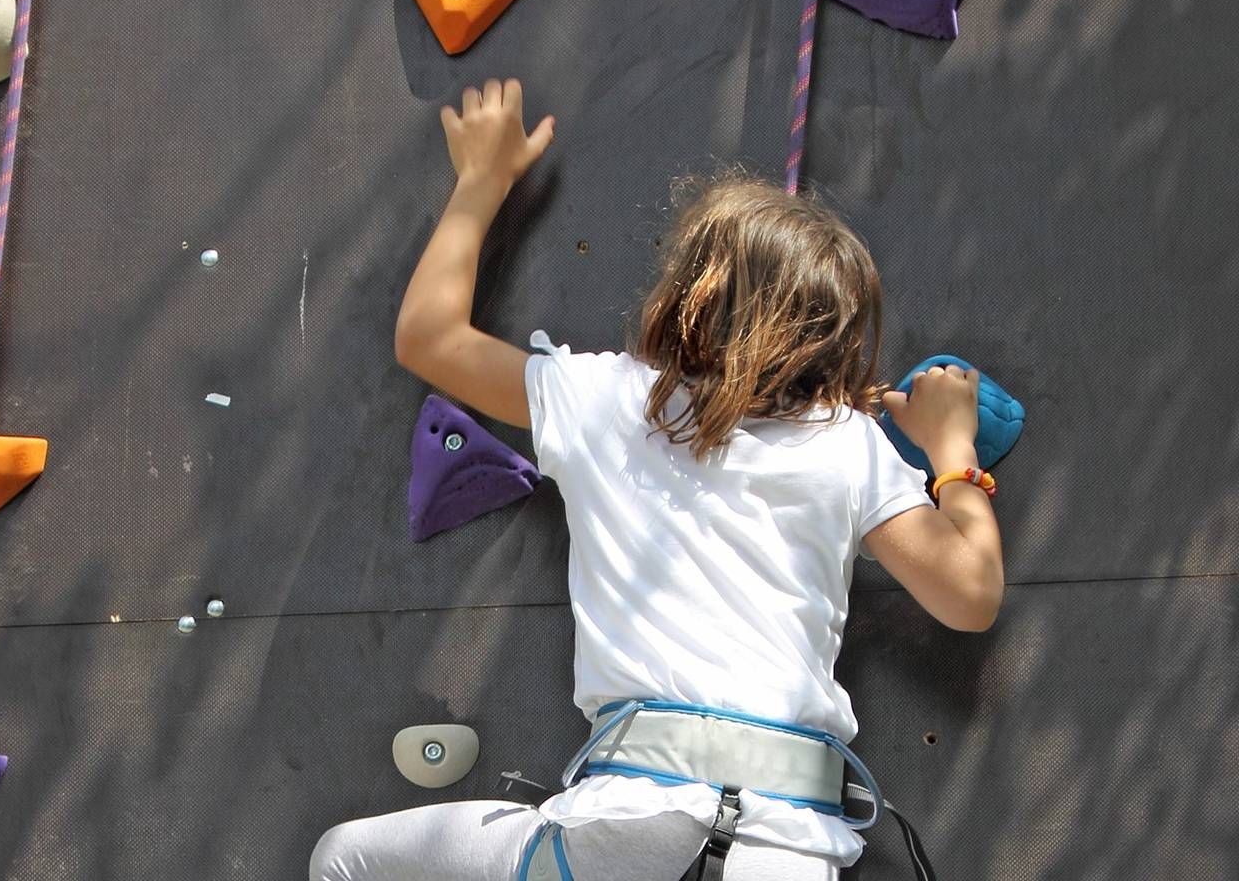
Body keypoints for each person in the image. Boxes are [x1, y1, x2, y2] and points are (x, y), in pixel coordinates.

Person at [310, 78, 1003, 881]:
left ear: (693, 293)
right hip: (786, 859)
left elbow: (429, 336)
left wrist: (482, 179)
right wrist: (952, 452)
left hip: (629, 833)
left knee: (347, 860)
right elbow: (969, 593)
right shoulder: (846, 446)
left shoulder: (608, 400)